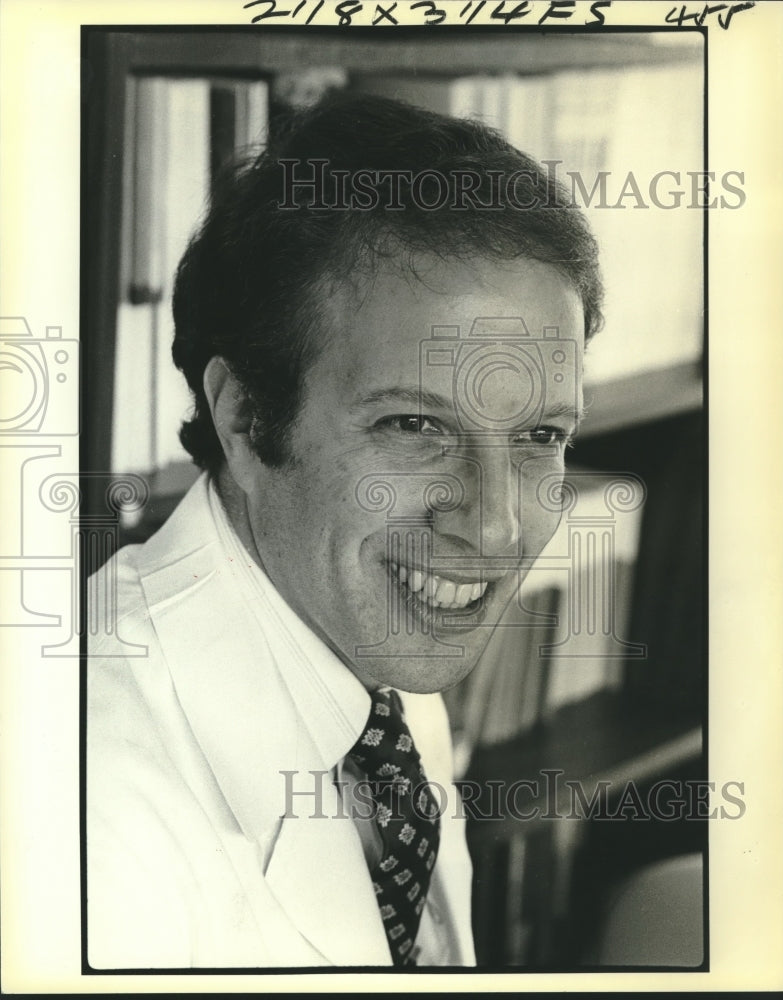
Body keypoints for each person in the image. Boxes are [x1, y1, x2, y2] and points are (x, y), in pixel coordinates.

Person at [87, 93, 602, 969]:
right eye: (415, 427)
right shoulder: (93, 828)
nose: (494, 524)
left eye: (540, 437)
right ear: (246, 417)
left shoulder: (370, 662)